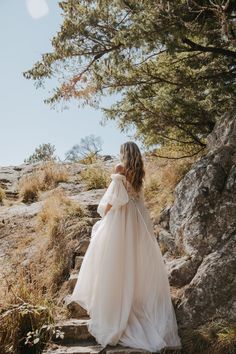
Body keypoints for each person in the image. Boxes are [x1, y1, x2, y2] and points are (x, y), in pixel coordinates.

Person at [69, 141, 182, 352]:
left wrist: (103, 212)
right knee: (134, 260)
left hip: (122, 218)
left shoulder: (120, 169)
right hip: (138, 219)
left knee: (114, 259)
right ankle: (133, 302)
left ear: (125, 153)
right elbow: (137, 197)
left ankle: (116, 309)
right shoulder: (139, 172)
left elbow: (116, 197)